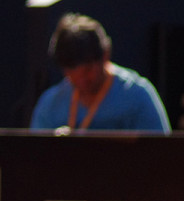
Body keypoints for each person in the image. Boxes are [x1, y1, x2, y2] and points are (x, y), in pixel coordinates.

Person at [30, 13, 171, 133]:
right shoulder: (50, 104)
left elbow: (161, 155)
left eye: (87, 70)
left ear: (105, 55)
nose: (81, 80)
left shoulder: (138, 98)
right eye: (71, 72)